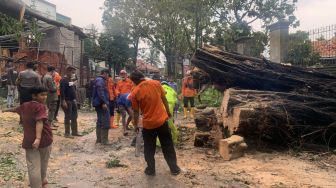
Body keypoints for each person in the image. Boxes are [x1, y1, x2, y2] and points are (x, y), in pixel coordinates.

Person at [129, 70, 181, 176]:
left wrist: (135, 125)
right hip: (162, 121)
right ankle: (174, 168)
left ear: (134, 81)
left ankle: (151, 170)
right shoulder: (156, 83)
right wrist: (168, 112)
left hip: (148, 125)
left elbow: (135, 111)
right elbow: (164, 99)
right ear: (143, 77)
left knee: (149, 148)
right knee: (167, 145)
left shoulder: (135, 92)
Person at [2, 86, 53, 188]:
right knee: (43, 163)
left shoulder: (25, 105)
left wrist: (5, 110)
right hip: (44, 138)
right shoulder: (41, 107)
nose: (45, 97)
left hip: (29, 140)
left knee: (33, 166)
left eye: (45, 94)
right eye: (42, 95)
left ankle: (38, 184)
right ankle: (42, 180)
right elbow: (39, 121)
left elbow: (15, 109)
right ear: (34, 96)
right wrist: (38, 139)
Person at [60, 66, 82, 138]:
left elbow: (72, 88)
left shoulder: (70, 80)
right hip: (67, 101)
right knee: (67, 117)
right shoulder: (63, 80)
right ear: (67, 71)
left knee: (74, 116)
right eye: (72, 72)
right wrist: (63, 101)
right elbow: (62, 91)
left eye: (74, 72)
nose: (74, 74)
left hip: (73, 101)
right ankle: (67, 133)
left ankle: (74, 132)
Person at [156, 81, 178, 146]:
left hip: (160, 106)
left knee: (159, 124)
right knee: (171, 124)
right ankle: (174, 140)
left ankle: (158, 143)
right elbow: (176, 102)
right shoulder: (172, 90)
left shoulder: (158, 89)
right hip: (170, 107)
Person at [92, 69, 111, 144]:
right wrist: (104, 102)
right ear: (105, 73)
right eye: (108, 75)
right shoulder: (100, 80)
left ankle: (99, 139)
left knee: (100, 121)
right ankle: (104, 140)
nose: (108, 77)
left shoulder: (98, 79)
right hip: (101, 104)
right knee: (106, 121)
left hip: (98, 103)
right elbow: (100, 91)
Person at [42, 66, 58, 130]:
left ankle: (50, 123)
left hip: (47, 95)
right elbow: (52, 88)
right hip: (52, 96)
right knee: (52, 109)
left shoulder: (45, 76)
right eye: (54, 71)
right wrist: (57, 86)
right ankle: (49, 124)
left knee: (50, 109)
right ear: (52, 71)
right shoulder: (49, 77)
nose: (55, 72)